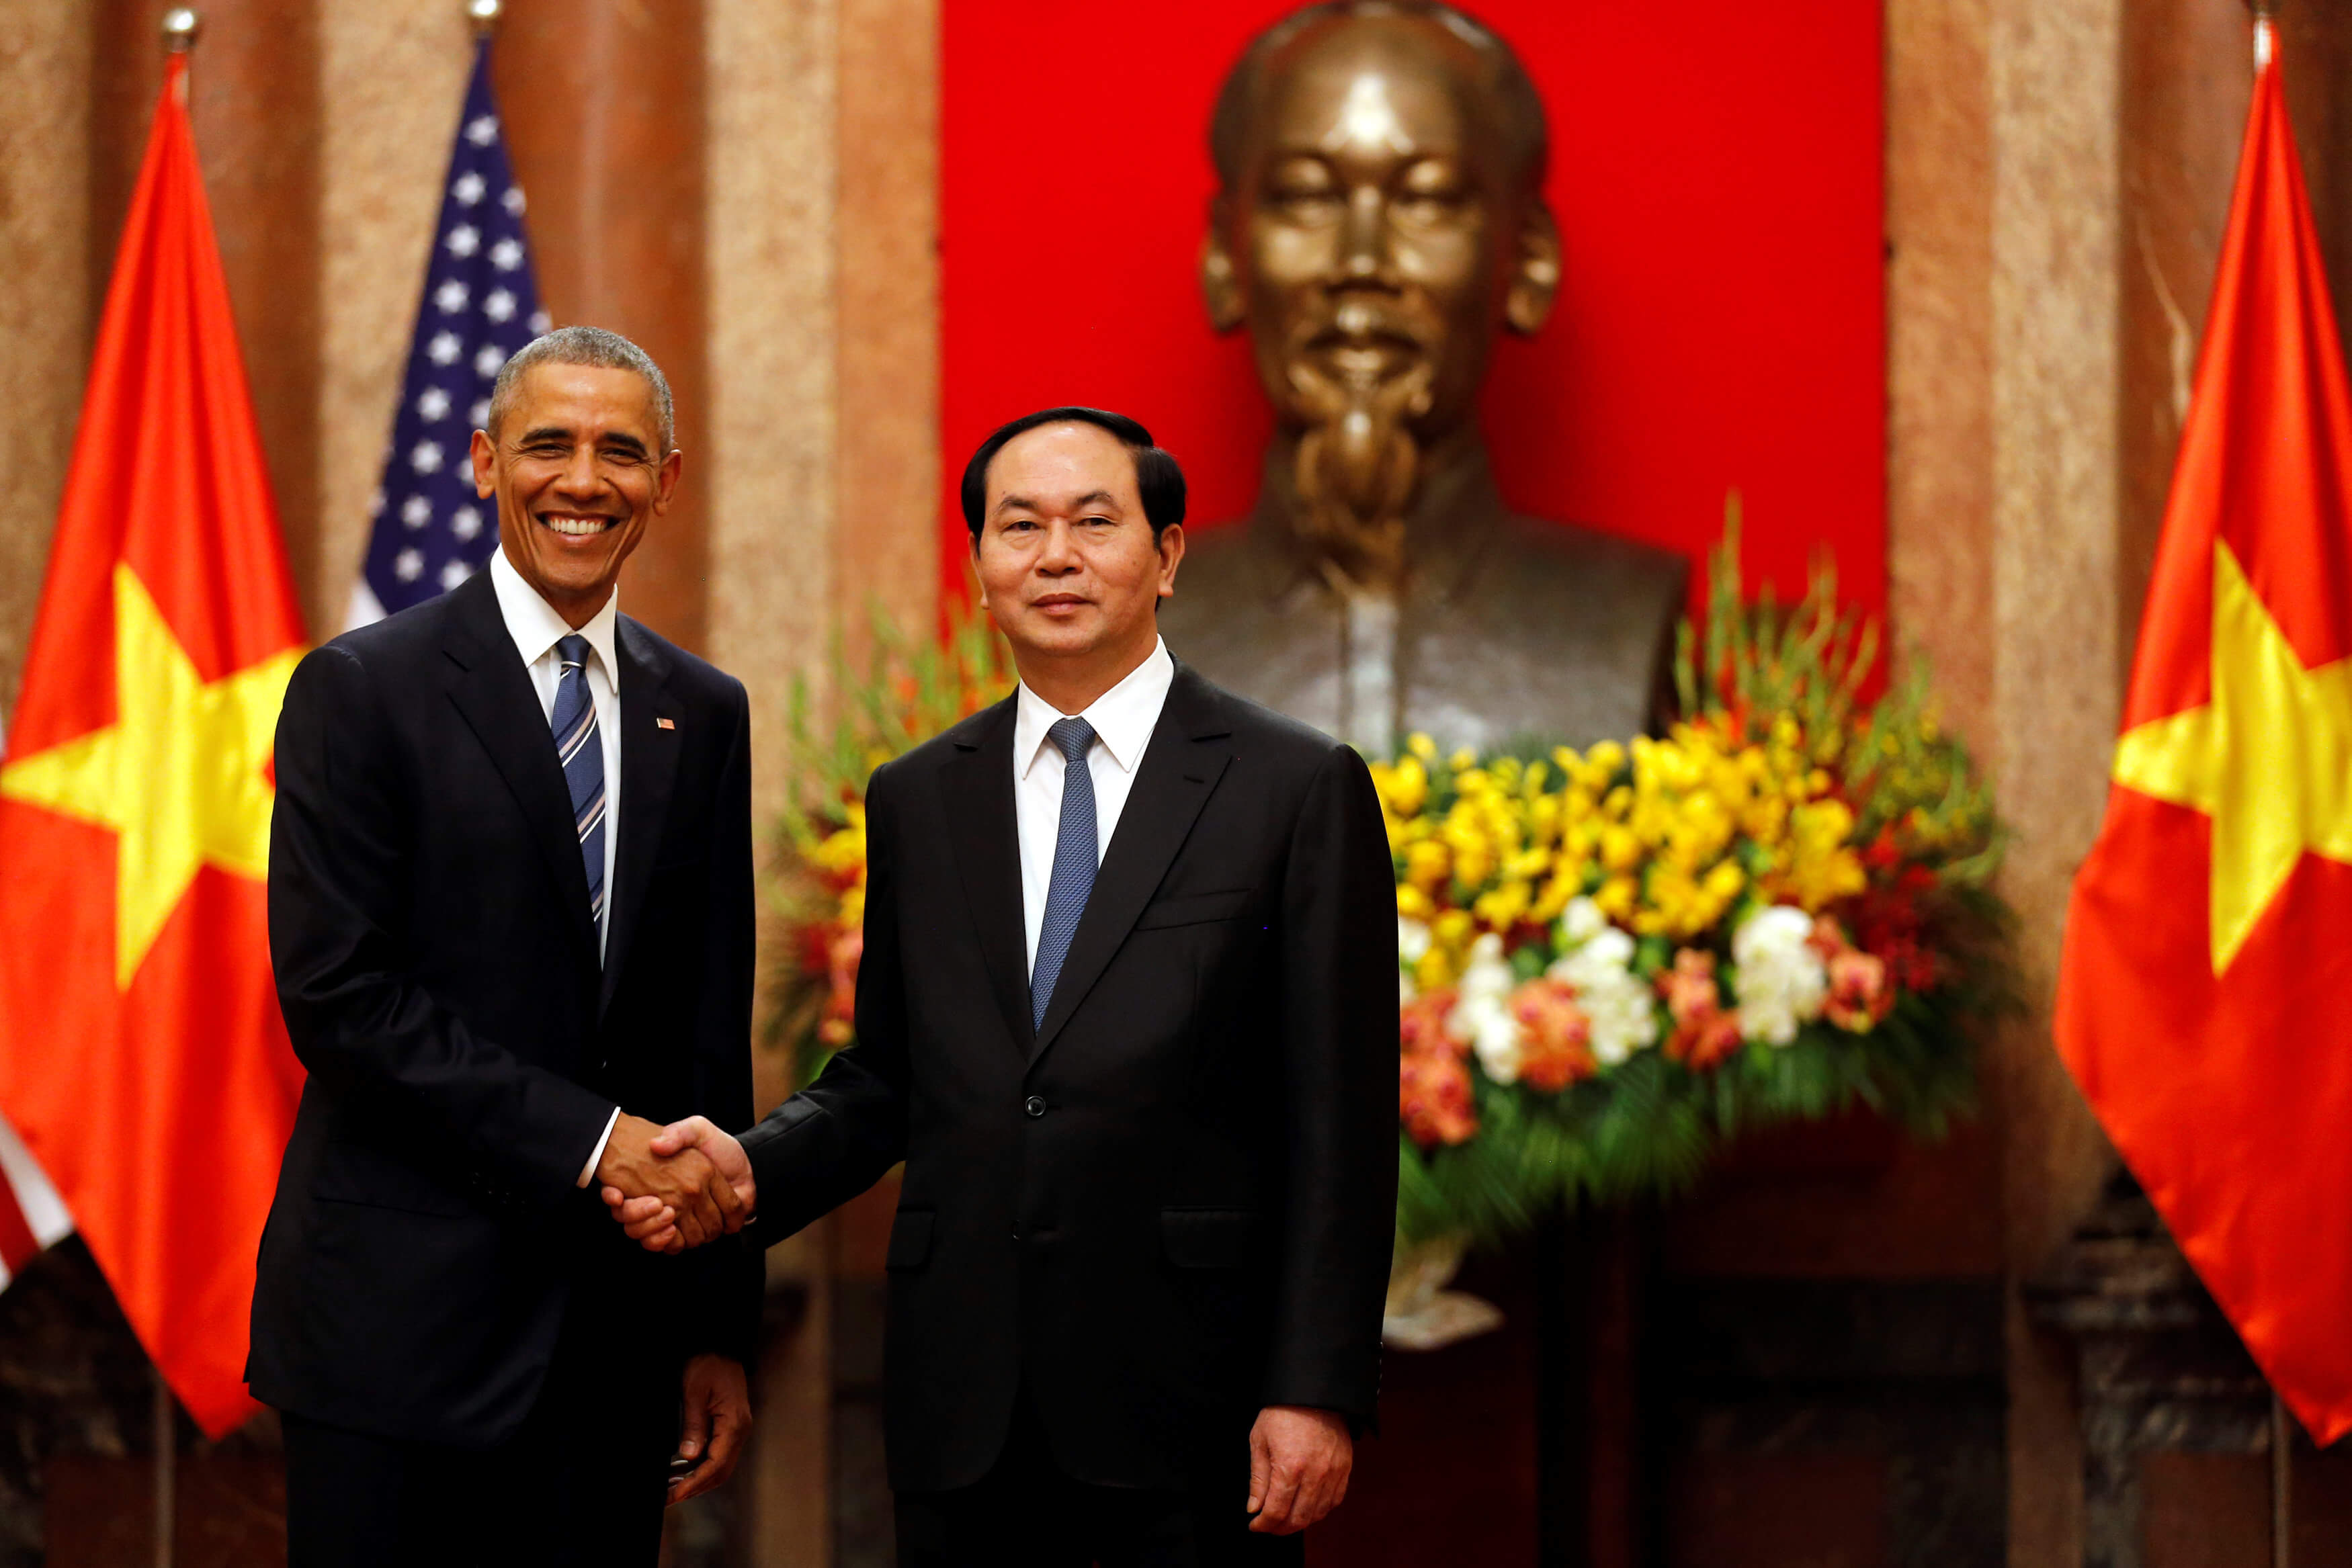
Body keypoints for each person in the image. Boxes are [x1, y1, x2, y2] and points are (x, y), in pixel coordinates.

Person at [616, 408, 1397, 1564]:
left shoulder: (1291, 786)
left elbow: (1342, 1118)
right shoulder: (922, 796)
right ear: (980, 568)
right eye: (1018, 525)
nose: (1057, 554)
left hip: (1193, 1401)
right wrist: (748, 1167)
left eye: (1095, 521)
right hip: (963, 1402)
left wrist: (1316, 1385)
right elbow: (887, 1076)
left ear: (1168, 554)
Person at [252, 326, 761, 1566]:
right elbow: (341, 997)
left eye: (620, 451)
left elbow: (706, 1035)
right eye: (547, 443)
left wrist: (713, 1326)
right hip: (395, 1340)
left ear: (669, 480)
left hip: (612, 1350)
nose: (582, 480)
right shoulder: (361, 686)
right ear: (484, 463)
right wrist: (593, 1141)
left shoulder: (703, 707)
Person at [1159, 0, 1686, 754]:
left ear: (1528, 262)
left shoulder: (1622, 620)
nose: (1361, 262)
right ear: (1223, 259)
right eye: (1306, 197)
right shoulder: (1112, 644)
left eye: (1426, 199)